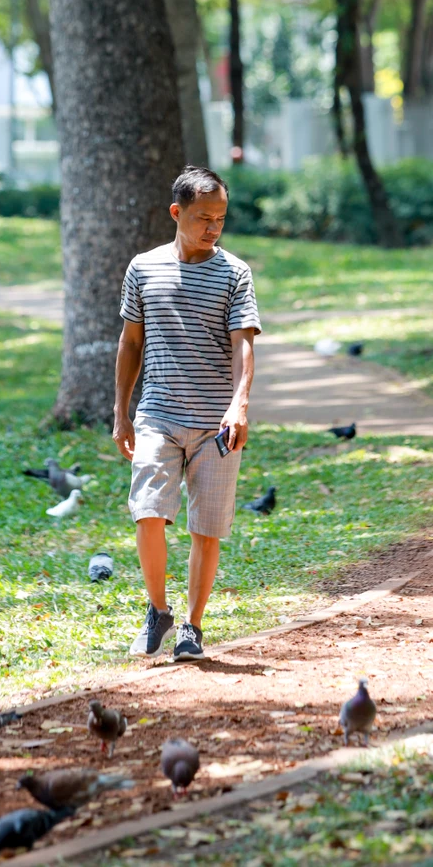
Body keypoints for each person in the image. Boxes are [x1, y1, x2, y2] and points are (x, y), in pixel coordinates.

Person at [112, 164, 262, 661]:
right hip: (157, 412)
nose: (213, 227)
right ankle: (158, 611)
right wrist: (122, 411)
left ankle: (192, 628)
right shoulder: (144, 268)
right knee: (149, 512)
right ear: (177, 213)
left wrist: (239, 404)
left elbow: (244, 345)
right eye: (202, 217)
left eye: (220, 218)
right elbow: (131, 342)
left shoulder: (235, 273)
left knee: (207, 525)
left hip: (215, 421)